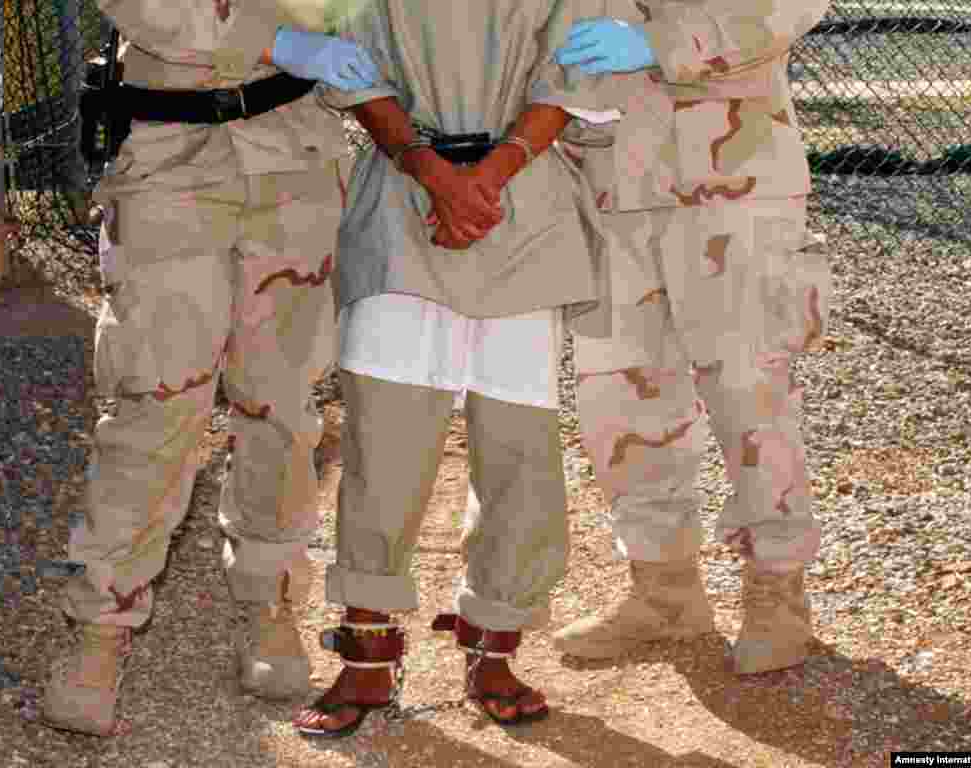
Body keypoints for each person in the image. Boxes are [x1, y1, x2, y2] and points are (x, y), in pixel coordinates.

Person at [42, 0, 380, 736]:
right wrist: (276, 37)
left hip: (293, 154)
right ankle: (101, 630)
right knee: (154, 406)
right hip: (170, 159)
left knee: (280, 407)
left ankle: (267, 599)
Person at [288, 0, 610, 738]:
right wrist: (429, 169)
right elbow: (351, 55)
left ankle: (494, 647)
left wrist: (484, 178)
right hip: (403, 206)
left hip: (520, 209)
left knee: (519, 452)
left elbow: (569, 71)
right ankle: (365, 652)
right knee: (385, 446)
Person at [548, 0, 834, 674]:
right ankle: (664, 589)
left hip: (733, 178)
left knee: (749, 390)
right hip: (611, 181)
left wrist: (657, 41)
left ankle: (777, 595)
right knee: (621, 394)